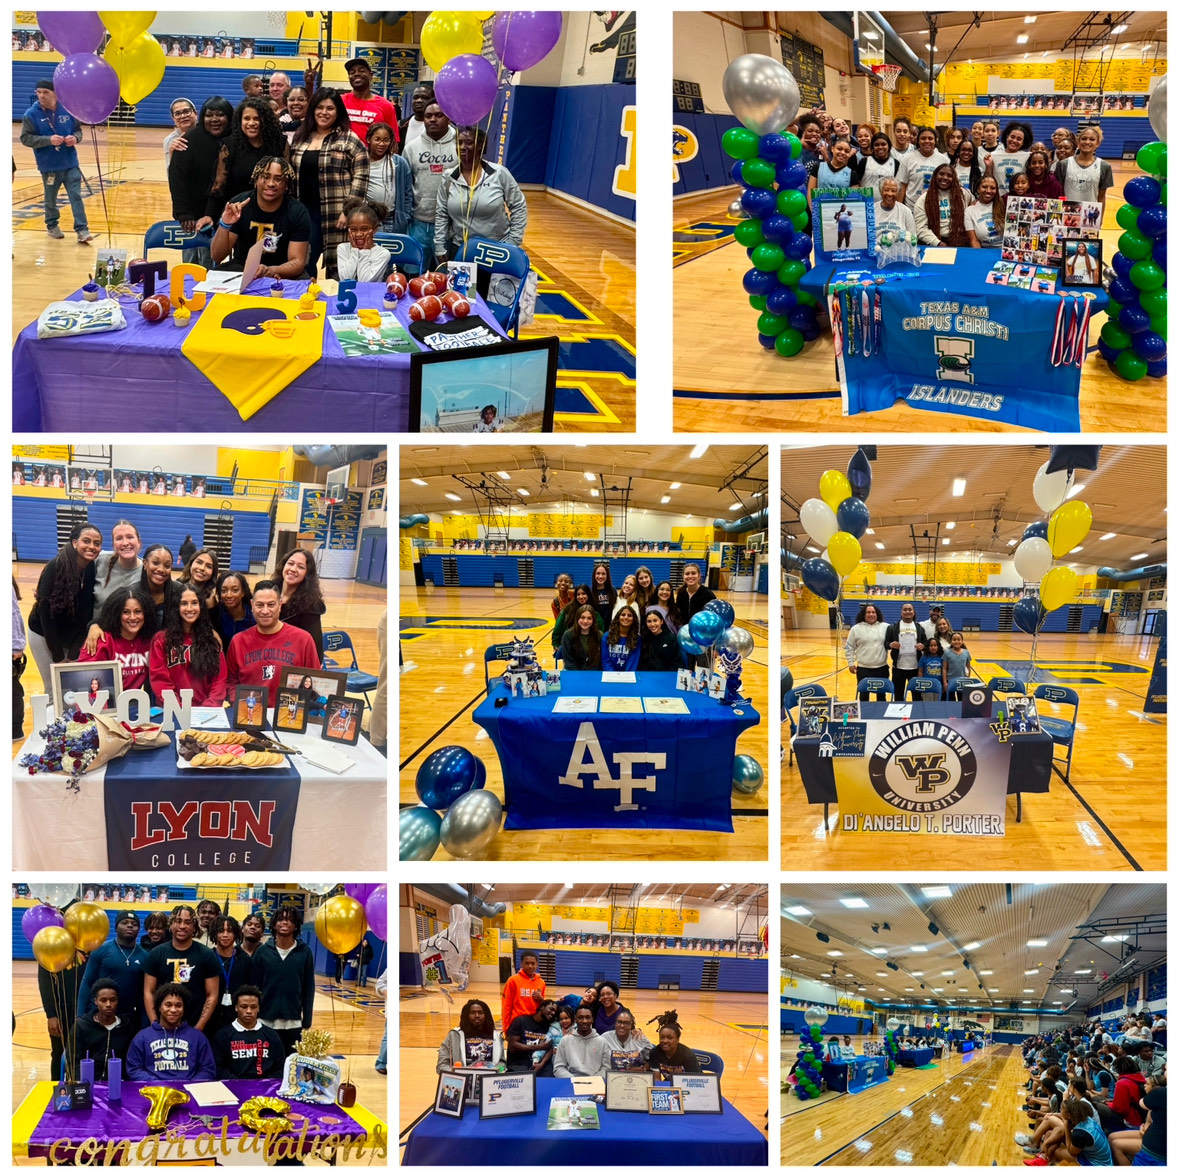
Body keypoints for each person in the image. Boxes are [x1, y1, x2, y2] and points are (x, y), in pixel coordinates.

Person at [289, 88, 370, 279]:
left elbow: (361, 177)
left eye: (330, 108)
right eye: (319, 107)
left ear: (338, 112)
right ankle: (307, 301)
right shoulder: (301, 137)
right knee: (304, 263)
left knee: (340, 269)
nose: (324, 112)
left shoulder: (350, 139)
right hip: (305, 213)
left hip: (337, 215)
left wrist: (348, 211)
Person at [434, 125, 528, 280]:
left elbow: (518, 206)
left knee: (491, 302)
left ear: (480, 146)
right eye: (459, 143)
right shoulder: (449, 177)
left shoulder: (499, 173)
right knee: (464, 300)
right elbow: (442, 213)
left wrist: (512, 242)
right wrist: (439, 246)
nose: (463, 147)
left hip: (497, 250)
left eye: (469, 142)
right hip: (462, 250)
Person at [209, 154, 311, 281]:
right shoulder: (239, 204)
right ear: (256, 180)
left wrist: (270, 270)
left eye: (278, 179)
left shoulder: (297, 211)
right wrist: (225, 224)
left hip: (282, 273)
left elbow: (297, 263)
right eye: (265, 177)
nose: (271, 183)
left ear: (286, 185)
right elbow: (216, 255)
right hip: (241, 268)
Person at [26, 521, 102, 688]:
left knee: (69, 689)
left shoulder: (91, 568)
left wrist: (74, 652)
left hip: (71, 636)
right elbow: (47, 616)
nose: (92, 546)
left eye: (97, 543)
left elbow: (86, 614)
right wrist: (58, 655)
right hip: (44, 634)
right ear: (75, 543)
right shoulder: (56, 566)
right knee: (54, 689)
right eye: (86, 541)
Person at [226, 579, 321, 707]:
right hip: (250, 714)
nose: (265, 611)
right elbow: (231, 681)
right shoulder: (238, 641)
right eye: (260, 605)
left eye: (271, 604)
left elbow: (316, 680)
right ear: (252, 605)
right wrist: (239, 702)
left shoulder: (303, 639)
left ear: (280, 605)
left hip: (288, 717)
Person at [21, 79, 93, 243]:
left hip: (70, 163)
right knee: (50, 198)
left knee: (76, 196)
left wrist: (75, 138)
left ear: (55, 93)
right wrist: (48, 140)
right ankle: (52, 225)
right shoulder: (31, 115)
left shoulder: (68, 110)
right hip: (49, 165)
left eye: (45, 92)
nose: (41, 96)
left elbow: (78, 131)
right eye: (38, 92)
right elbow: (25, 138)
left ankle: (82, 229)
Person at [203, 97, 289, 228]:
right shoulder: (230, 145)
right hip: (238, 211)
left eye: (256, 118)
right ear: (240, 121)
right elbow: (219, 185)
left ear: (265, 120)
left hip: (273, 212)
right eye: (247, 118)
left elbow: (286, 181)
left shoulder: (281, 143)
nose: (251, 123)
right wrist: (209, 214)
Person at [250, 905, 317, 1054]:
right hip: (265, 1020)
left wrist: (307, 1019)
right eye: (281, 919)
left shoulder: (305, 952)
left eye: (289, 920)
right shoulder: (262, 952)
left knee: (290, 1067)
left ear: (296, 926)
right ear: (274, 924)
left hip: (293, 1021)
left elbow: (308, 987)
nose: (285, 923)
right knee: (266, 1065)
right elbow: (254, 987)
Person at [144, 906, 220, 1033]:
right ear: (171, 924)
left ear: (194, 926)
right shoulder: (156, 954)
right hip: (163, 1026)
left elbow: (212, 995)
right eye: (178, 921)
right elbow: (148, 992)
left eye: (188, 922)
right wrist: (155, 1024)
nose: (182, 926)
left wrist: (199, 1027)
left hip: (195, 1026)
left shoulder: (206, 955)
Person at [148, 586, 228, 705]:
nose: (190, 608)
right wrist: (178, 708)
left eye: (194, 603)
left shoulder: (212, 640)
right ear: (177, 607)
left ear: (200, 607)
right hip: (173, 711)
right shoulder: (160, 641)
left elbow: (219, 680)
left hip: (205, 713)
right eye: (184, 603)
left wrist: (208, 708)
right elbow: (160, 681)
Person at [401, 100, 459, 255]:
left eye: (439, 115)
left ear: (449, 118)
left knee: (444, 273)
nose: (433, 119)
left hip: (451, 224)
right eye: (428, 116)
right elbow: (405, 187)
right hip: (418, 222)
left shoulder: (461, 145)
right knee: (416, 273)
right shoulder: (411, 148)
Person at [126, 983, 217, 1081]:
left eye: (178, 1005)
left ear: (184, 1009)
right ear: (159, 1007)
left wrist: (189, 1085)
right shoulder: (142, 1037)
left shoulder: (198, 1037)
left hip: (188, 1091)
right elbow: (134, 1069)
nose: (173, 1010)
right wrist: (157, 1084)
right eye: (168, 1005)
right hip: (154, 1091)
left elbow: (208, 1069)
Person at [76, 912, 150, 1027]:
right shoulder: (101, 949)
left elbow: (143, 993)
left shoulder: (145, 956)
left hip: (127, 1017)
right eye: (124, 923)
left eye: (134, 924)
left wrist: (145, 1022)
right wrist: (79, 1016)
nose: (130, 925)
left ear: (138, 929)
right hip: (100, 1014)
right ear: (116, 927)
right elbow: (87, 982)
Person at [78, 587, 155, 693]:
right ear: (116, 614)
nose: (133, 617)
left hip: (132, 703)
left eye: (138, 611)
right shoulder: (101, 640)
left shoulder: (150, 642)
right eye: (126, 612)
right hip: (102, 703)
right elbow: (83, 678)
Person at [212, 984, 286, 1079]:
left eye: (253, 1007)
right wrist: (237, 1083)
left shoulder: (271, 1035)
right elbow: (218, 1068)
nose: (249, 1011)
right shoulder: (223, 1035)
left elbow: (280, 1067)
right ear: (236, 1007)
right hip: (233, 1087)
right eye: (244, 1006)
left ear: (259, 1008)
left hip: (265, 1088)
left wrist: (264, 1083)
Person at [72, 980, 136, 1079]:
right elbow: (73, 1061)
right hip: (88, 1084)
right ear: (95, 1001)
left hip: (119, 1084)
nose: (108, 1004)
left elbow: (132, 1061)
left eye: (113, 999)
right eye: (103, 1000)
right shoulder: (81, 1026)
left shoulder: (127, 1027)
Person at [272, 549, 327, 660]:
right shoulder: (269, 589)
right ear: (283, 565)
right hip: (266, 653)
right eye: (290, 563)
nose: (293, 569)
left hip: (291, 659)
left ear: (307, 574)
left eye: (301, 567)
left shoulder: (310, 605)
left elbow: (315, 647)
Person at [364, 123, 413, 235]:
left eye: (386, 140)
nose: (382, 144)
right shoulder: (361, 161)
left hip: (392, 218)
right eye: (377, 139)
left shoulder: (399, 163)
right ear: (369, 139)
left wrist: (405, 216)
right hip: (368, 218)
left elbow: (408, 193)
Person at [341, 57, 399, 146]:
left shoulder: (386, 105)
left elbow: (393, 141)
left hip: (373, 158)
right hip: (344, 157)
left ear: (371, 75)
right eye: (352, 72)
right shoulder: (340, 101)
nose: (356, 74)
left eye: (361, 71)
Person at [337, 194, 394, 280]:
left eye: (364, 229)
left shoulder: (382, 254)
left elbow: (364, 281)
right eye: (353, 229)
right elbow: (345, 279)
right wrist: (354, 250)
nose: (358, 234)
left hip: (371, 293)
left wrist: (365, 251)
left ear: (374, 229)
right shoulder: (342, 248)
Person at [437, 999, 503, 1071]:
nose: (477, 1015)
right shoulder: (454, 1035)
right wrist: (457, 1073)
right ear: (466, 1015)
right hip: (462, 1079)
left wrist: (496, 1071)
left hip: (488, 1079)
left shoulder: (496, 1036)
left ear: (486, 1015)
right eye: (472, 1013)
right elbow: (441, 1065)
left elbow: (502, 1062)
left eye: (480, 1012)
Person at [916, 164, 973, 246]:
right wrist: (938, 243)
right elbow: (921, 228)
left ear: (954, 178)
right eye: (941, 174)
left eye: (950, 175)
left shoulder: (963, 194)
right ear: (935, 175)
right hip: (936, 240)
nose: (945, 178)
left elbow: (974, 205)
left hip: (960, 240)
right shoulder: (924, 199)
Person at [899, 126, 950, 210]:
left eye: (930, 138)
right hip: (912, 208)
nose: (927, 141)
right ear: (918, 141)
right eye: (923, 138)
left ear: (935, 141)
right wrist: (899, 208)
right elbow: (903, 186)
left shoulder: (944, 160)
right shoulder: (907, 159)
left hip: (935, 208)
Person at [845, 602, 890, 697]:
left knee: (882, 696)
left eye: (873, 612)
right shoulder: (855, 629)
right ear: (864, 614)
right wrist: (850, 663)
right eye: (868, 612)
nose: (871, 614)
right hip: (863, 669)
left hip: (881, 668)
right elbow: (849, 647)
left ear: (877, 614)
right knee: (864, 696)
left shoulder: (886, 627)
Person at [506, 998, 560, 1075]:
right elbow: (512, 1046)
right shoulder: (520, 1021)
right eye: (551, 1009)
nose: (553, 1013)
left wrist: (541, 1064)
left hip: (541, 1063)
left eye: (555, 1012)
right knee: (523, 1078)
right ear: (542, 1007)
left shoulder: (551, 1027)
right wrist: (539, 1047)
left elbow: (550, 1048)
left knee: (550, 1077)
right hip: (519, 1062)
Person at [554, 1006, 610, 1077]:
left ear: (592, 1019)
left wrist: (593, 1080)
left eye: (588, 1017)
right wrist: (574, 1080)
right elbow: (559, 1067)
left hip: (594, 1083)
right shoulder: (565, 1040)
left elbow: (606, 1068)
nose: (584, 1021)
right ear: (575, 1019)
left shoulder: (602, 1042)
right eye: (580, 1017)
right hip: (570, 1082)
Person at [885, 601, 925, 699]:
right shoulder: (893, 627)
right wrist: (891, 644)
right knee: (898, 695)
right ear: (901, 612)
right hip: (899, 668)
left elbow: (925, 643)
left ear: (913, 612)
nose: (907, 612)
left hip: (915, 668)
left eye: (910, 609)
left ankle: (916, 713)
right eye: (905, 609)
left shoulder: (919, 628)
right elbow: (886, 644)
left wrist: (922, 646)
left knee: (917, 696)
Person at [984, 120, 1032, 195]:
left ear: (1023, 142)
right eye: (1012, 137)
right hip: (999, 200)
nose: (1014, 140)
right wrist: (988, 166)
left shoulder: (1028, 157)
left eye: (1019, 139)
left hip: (1018, 200)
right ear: (1007, 136)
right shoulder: (993, 155)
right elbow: (988, 179)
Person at [502, 951, 547, 1030]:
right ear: (521, 964)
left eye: (533, 963)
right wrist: (506, 1028)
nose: (530, 966)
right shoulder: (513, 980)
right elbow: (506, 1006)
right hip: (517, 1022)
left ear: (537, 965)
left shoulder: (541, 982)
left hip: (534, 1023)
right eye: (527, 963)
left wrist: (542, 1000)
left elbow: (543, 1007)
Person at [808, 138, 856, 208]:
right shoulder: (818, 167)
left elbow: (854, 199)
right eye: (839, 149)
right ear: (832, 149)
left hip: (840, 215)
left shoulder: (852, 174)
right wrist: (814, 212)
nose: (842, 152)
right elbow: (810, 191)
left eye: (846, 151)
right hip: (819, 211)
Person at [215, 571, 255, 649]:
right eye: (224, 591)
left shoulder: (253, 615)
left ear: (243, 592)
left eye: (235, 590)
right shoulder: (217, 614)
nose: (229, 595)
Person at [965, 174, 1004, 248]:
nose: (988, 191)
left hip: (1006, 252)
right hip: (985, 251)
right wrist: (980, 256)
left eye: (993, 188)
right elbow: (974, 241)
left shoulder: (1003, 204)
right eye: (984, 187)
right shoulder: (969, 211)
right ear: (978, 189)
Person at [179, 548, 220, 614]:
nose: (202, 568)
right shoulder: (176, 588)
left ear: (213, 572)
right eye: (199, 562)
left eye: (209, 566)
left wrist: (211, 607)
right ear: (191, 563)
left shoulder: (211, 599)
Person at [602, 604, 641, 670]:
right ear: (618, 618)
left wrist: (626, 677)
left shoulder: (637, 639)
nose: (626, 617)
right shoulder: (606, 636)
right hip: (610, 675)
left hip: (628, 676)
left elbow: (633, 662)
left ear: (633, 619)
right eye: (623, 615)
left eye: (629, 615)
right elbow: (605, 660)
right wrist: (613, 676)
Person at [399, 83, 434, 151]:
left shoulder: (437, 125)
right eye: (415, 97)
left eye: (424, 98)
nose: (419, 100)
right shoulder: (402, 125)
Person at [163, 97, 198, 163]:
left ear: (196, 113)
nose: (183, 116)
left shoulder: (207, 133)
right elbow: (170, 171)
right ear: (173, 118)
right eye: (178, 114)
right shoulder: (170, 140)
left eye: (186, 111)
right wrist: (172, 153)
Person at [942, 631, 973, 697]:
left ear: (962, 641)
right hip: (950, 681)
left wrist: (968, 679)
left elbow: (968, 667)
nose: (956, 641)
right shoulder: (947, 653)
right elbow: (944, 669)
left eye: (959, 640)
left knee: (961, 701)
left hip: (962, 681)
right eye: (954, 640)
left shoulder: (966, 652)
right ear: (951, 641)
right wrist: (945, 682)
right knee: (951, 701)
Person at [590, 563, 617, 629]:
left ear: (607, 575)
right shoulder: (590, 592)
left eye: (603, 574)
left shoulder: (612, 590)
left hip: (610, 628)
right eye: (598, 573)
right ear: (594, 575)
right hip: (595, 628)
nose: (600, 576)